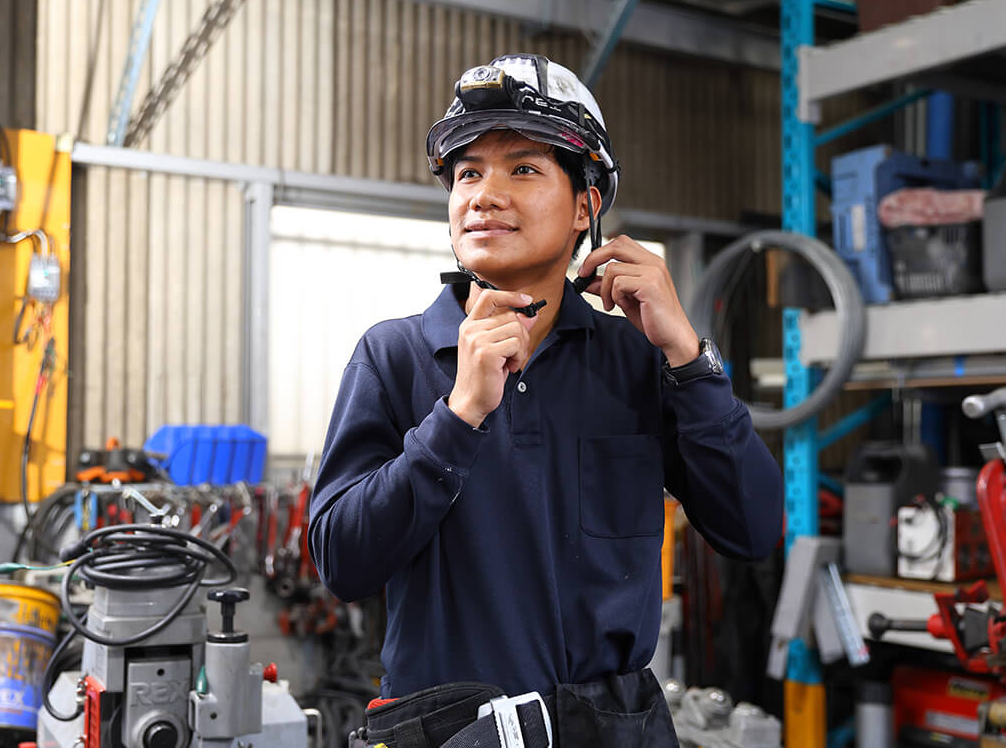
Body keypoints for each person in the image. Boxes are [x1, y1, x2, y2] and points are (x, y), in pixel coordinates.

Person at [309, 54, 783, 748]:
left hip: (616, 731)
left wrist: (687, 356)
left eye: (523, 169)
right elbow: (340, 562)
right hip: (455, 733)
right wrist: (457, 417)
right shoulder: (395, 358)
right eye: (468, 172)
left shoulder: (635, 361)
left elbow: (753, 526)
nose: (484, 194)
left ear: (586, 206)